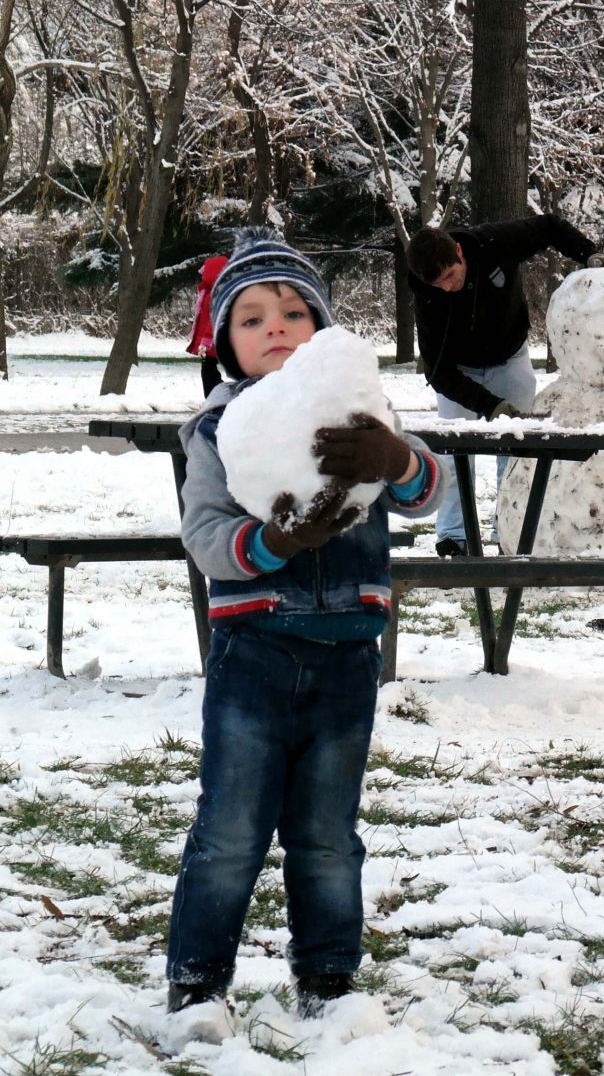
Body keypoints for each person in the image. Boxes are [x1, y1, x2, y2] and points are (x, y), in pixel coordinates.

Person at [166, 232, 445, 1018]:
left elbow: (428, 488)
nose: (276, 326)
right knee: (229, 830)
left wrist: (393, 457)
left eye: (294, 312)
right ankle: (196, 976)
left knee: (327, 834)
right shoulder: (219, 429)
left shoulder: (360, 418)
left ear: (323, 331)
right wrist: (274, 542)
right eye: (252, 318)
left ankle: (328, 975)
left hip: (349, 658)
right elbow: (206, 536)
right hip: (253, 654)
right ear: (226, 342)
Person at [404, 216, 597, 557]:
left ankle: (508, 530)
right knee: (451, 453)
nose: (447, 287)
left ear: (460, 253)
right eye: (439, 284)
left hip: (511, 358)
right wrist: (488, 405)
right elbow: (439, 373)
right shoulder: (428, 299)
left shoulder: (494, 242)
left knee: (515, 451)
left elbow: (550, 227)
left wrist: (589, 255)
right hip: (460, 373)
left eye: (450, 276)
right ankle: (454, 537)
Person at [185, 254, 229, 396]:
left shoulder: (215, 294)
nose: (202, 276)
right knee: (209, 368)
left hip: (212, 340)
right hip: (210, 340)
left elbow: (214, 318)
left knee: (208, 369)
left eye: (205, 272)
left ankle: (216, 395)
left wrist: (207, 339)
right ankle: (215, 395)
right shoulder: (208, 292)